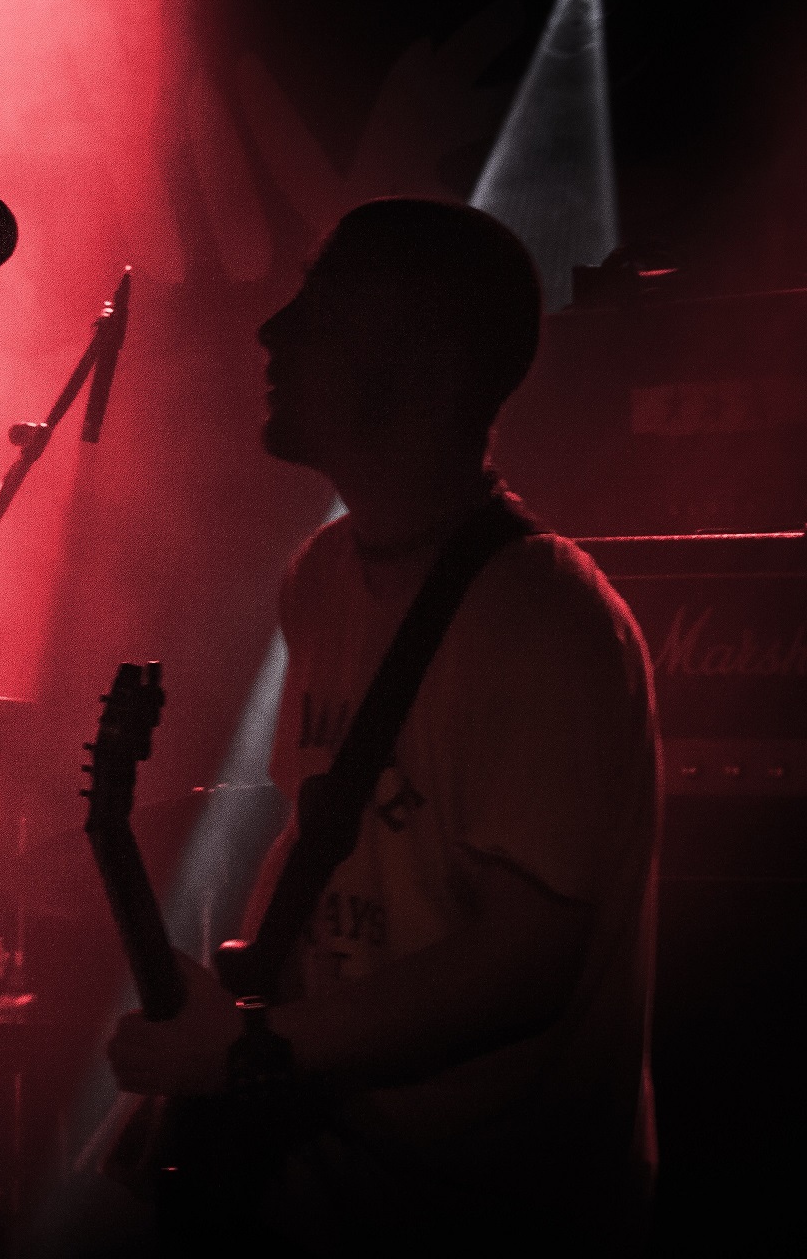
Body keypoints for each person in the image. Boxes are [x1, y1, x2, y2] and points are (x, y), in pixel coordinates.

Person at [108, 199, 659, 1250]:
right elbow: (323, 831)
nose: (272, 332)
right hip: (337, 1190)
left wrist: (256, 1051)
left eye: (319, 308)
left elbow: (527, 961)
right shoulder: (321, 577)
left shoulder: (547, 620)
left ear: (430, 363)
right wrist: (235, 1019)